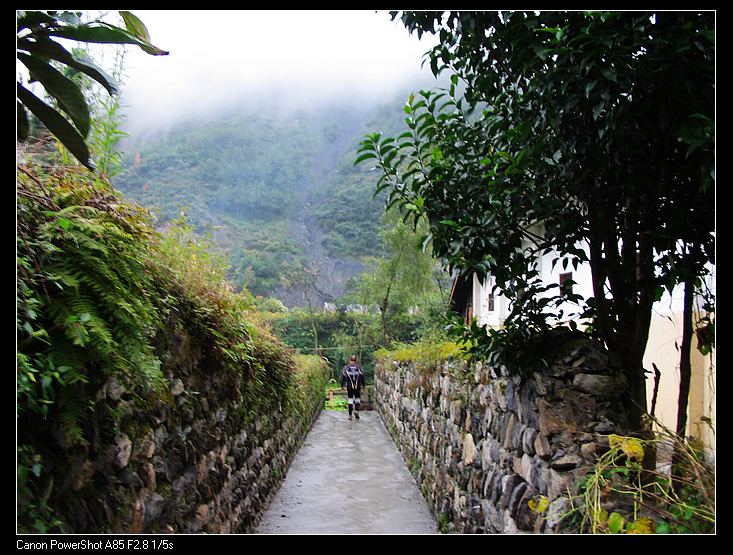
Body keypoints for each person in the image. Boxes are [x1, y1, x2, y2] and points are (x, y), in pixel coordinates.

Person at [340, 355, 365, 420]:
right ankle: (357, 411)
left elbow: (343, 377)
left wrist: (342, 385)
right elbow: (362, 376)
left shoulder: (346, 367)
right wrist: (363, 385)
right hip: (357, 386)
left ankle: (350, 415)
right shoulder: (359, 367)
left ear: (350, 360)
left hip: (349, 386)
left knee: (350, 399)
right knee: (357, 399)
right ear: (356, 360)